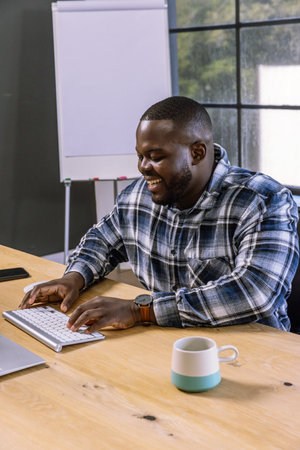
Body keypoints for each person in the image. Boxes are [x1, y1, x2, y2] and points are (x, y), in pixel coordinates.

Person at [19, 96, 299, 332]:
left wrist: (141, 310)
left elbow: (254, 292)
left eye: (155, 156)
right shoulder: (138, 196)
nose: (143, 167)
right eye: (140, 156)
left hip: (250, 353)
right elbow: (102, 241)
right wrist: (74, 277)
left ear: (197, 152)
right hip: (164, 342)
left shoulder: (263, 200)